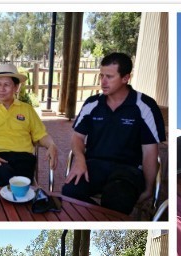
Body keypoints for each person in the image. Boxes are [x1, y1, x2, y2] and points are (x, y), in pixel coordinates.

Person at [62, 52, 166, 214]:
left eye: (109, 77)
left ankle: (99, 217)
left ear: (125, 78)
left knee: (116, 199)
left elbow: (150, 152)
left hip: (128, 170)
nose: (103, 82)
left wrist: (148, 188)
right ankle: (100, 217)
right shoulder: (92, 104)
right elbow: (77, 137)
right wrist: (80, 160)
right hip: (93, 166)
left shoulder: (145, 106)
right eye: (101, 75)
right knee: (69, 192)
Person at [0, 63, 58, 187]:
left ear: (16, 87)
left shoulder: (27, 109)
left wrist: (51, 145)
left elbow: (41, 135)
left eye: (6, 85)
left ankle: (1, 195)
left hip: (23, 159)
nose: (1, 89)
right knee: (7, 178)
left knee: (16, 183)